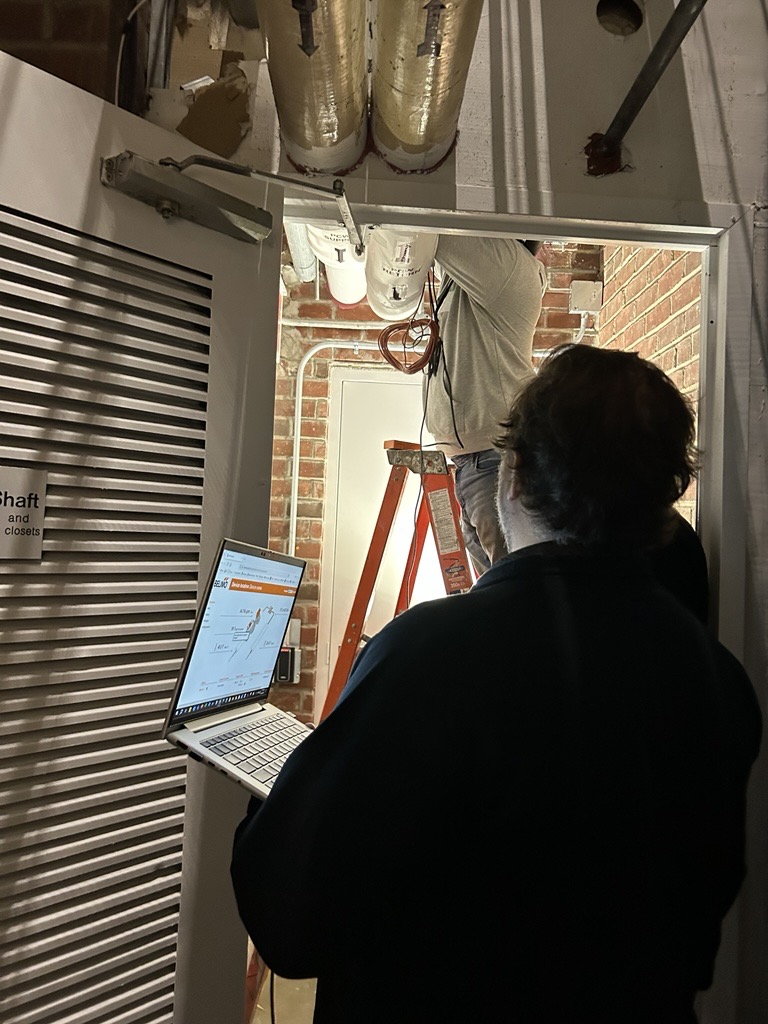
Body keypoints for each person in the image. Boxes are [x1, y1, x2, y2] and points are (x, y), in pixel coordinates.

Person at [231, 343, 761, 1024]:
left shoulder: (428, 654)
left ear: (512, 476)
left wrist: (274, 794)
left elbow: (291, 919)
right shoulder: (720, 680)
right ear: (660, 504)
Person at [424, 234, 547, 576]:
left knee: (511, 592)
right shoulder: (484, 275)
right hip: (477, 461)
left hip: (493, 460)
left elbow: (433, 225)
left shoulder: (506, 264)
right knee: (499, 589)